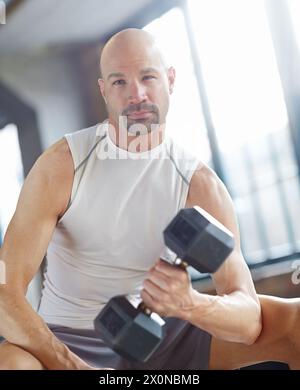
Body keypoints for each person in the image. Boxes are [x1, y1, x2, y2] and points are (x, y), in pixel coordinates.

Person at [0, 28, 262, 370]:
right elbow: (4, 290)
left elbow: (250, 320)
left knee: (292, 323)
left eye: (148, 77)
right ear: (104, 90)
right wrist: (72, 366)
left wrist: (190, 304)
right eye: (119, 82)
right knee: (10, 363)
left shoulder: (201, 186)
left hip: (165, 341)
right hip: (67, 340)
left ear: (170, 79)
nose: (136, 94)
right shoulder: (63, 165)